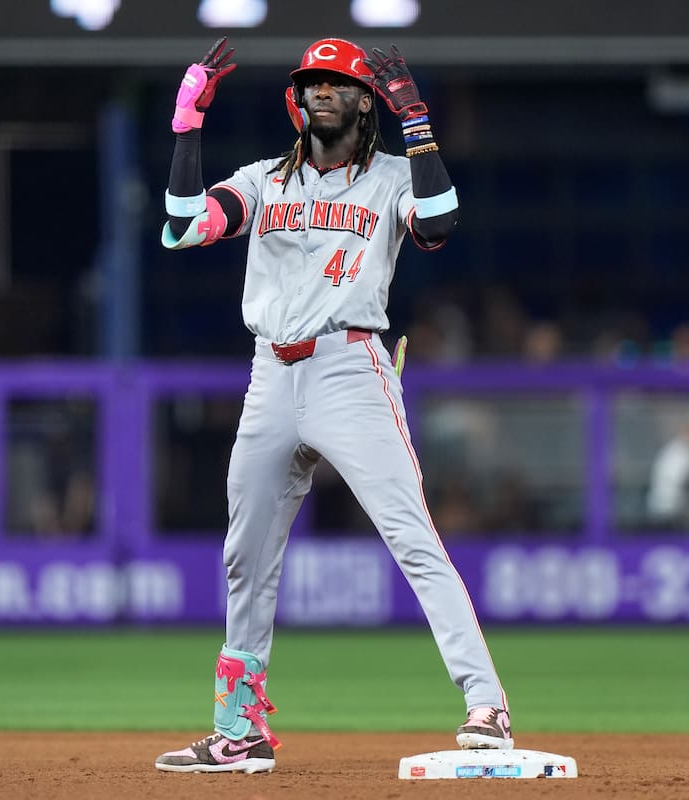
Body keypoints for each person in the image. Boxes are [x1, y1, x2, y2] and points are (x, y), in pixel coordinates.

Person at [154, 36, 512, 774]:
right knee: (245, 560)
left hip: (351, 368)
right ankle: (238, 729)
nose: (321, 90)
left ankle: (487, 703)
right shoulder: (262, 181)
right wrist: (186, 129)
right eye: (311, 81)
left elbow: (440, 223)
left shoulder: (388, 178)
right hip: (269, 378)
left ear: (362, 102)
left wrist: (416, 117)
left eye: (337, 82)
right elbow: (187, 225)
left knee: (411, 536)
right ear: (297, 99)